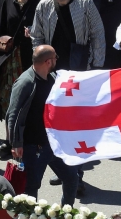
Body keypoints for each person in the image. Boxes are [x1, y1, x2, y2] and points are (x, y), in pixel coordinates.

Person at [7, 45, 80, 205]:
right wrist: (16, 143)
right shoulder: (26, 82)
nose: (56, 60)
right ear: (48, 61)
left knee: (71, 178)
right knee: (31, 188)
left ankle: (64, 217)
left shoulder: (53, 78)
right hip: (33, 148)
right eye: (55, 57)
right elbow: (12, 114)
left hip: (53, 144)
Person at [31, 0, 105, 71]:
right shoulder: (44, 6)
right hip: (51, 65)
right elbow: (36, 37)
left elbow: (97, 33)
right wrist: (40, 61)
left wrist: (97, 64)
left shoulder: (85, 3)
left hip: (79, 64)